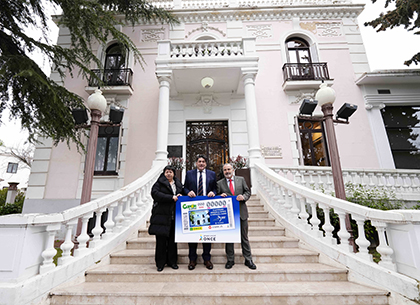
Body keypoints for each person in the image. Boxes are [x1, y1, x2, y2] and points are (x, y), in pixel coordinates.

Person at [217, 163, 257, 270]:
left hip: (241, 213)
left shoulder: (241, 179)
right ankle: (230, 260)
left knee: (244, 238)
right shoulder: (219, 183)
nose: (227, 171)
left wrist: (243, 197)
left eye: (229, 169)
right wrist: (220, 196)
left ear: (233, 170)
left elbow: (248, 192)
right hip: (227, 215)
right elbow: (216, 197)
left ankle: (248, 259)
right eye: (225, 170)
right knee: (229, 238)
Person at [183, 155, 217, 270]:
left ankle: (207, 259)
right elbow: (185, 188)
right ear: (196, 163)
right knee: (193, 235)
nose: (201, 163)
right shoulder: (189, 174)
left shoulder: (212, 174)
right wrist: (188, 192)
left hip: (207, 209)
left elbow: (215, 188)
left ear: (206, 164)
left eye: (203, 161)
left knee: (206, 236)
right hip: (193, 208)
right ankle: (192, 260)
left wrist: (213, 192)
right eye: (199, 161)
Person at [150, 165, 183, 272]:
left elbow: (182, 192)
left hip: (174, 216)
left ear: (174, 173)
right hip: (161, 216)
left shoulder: (177, 183)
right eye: (166, 172)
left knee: (173, 241)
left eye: (170, 172)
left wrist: (180, 194)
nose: (168, 174)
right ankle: (160, 263)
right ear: (164, 173)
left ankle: (172, 262)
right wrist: (170, 198)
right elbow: (155, 194)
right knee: (161, 241)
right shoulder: (159, 183)